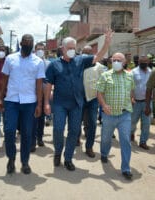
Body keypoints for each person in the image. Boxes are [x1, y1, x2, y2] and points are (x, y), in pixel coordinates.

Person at [44, 31, 112, 171]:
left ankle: (68, 158)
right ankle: (58, 152)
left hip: (76, 104)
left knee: (74, 131)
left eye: (73, 48)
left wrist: (106, 43)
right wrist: (46, 103)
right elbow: (48, 85)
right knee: (58, 129)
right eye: (69, 48)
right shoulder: (53, 65)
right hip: (59, 104)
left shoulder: (80, 60)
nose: (71, 50)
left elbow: (98, 56)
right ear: (62, 48)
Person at [0, 34, 45, 174]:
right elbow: (4, 80)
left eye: (31, 43)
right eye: (26, 43)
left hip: (29, 102)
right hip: (11, 100)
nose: (28, 45)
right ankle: (11, 158)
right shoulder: (10, 58)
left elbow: (39, 84)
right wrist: (0, 98)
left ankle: (25, 162)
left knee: (27, 133)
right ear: (21, 43)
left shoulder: (38, 61)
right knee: (9, 130)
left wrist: (39, 105)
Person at [96, 52, 134, 180]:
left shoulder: (129, 76)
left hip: (125, 114)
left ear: (124, 62)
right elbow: (99, 93)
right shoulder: (105, 75)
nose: (116, 62)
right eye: (114, 60)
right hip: (109, 114)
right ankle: (104, 153)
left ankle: (126, 168)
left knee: (125, 141)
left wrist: (131, 99)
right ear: (111, 62)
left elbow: (131, 90)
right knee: (106, 138)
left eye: (119, 60)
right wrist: (104, 105)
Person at [83, 50, 107, 158]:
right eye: (85, 52)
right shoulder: (79, 64)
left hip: (93, 99)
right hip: (79, 98)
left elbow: (104, 81)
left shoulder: (100, 67)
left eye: (89, 52)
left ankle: (89, 147)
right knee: (75, 122)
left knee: (92, 123)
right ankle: (76, 140)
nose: (87, 55)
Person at [31, 42, 50, 152]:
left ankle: (40, 138)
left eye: (42, 49)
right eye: (38, 49)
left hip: (44, 94)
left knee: (41, 118)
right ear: (35, 50)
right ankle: (32, 140)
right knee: (33, 118)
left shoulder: (48, 63)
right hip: (32, 93)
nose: (40, 51)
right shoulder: (31, 62)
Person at [131, 56, 151, 149]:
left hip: (147, 102)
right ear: (138, 62)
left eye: (145, 61)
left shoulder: (151, 72)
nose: (144, 63)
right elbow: (130, 86)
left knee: (146, 123)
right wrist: (131, 98)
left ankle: (143, 141)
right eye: (142, 62)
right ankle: (131, 134)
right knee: (133, 122)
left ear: (148, 62)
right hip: (136, 102)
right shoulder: (133, 72)